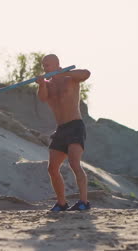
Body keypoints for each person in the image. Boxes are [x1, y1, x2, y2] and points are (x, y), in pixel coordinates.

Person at [36, 54, 92, 211]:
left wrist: (64, 73)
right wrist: (41, 84)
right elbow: (42, 98)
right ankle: (61, 203)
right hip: (61, 130)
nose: (45, 68)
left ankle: (84, 202)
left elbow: (86, 73)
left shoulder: (70, 78)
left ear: (57, 64)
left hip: (75, 126)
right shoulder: (48, 84)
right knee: (52, 168)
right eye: (44, 65)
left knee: (74, 163)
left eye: (48, 65)